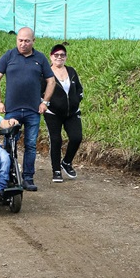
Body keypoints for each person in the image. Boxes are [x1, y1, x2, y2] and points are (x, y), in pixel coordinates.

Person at [0, 27, 55, 192]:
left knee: (31, 145)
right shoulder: (9, 56)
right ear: (16, 40)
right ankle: (7, 176)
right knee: (8, 144)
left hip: (33, 111)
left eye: (27, 41)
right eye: (20, 40)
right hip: (11, 110)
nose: (23, 44)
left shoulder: (40, 58)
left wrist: (45, 102)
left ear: (33, 41)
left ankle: (28, 178)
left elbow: (51, 81)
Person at [44, 43, 84, 183]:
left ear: (65, 57)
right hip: (52, 113)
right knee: (56, 140)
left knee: (76, 137)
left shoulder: (71, 71)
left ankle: (66, 162)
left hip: (72, 112)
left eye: (62, 55)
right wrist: (45, 103)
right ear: (51, 57)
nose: (59, 57)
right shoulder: (47, 73)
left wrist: (78, 99)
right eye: (56, 55)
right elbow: (40, 91)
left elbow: (79, 88)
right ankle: (56, 169)